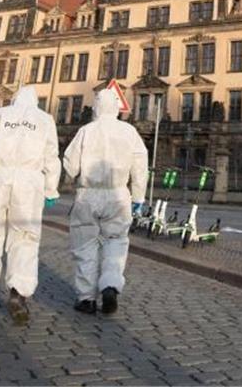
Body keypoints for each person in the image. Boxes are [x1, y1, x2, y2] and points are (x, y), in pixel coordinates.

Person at [0, 84, 61, 323]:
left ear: (14, 99)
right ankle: (18, 293)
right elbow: (51, 156)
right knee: (25, 239)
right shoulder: (45, 119)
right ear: (36, 101)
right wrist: (50, 189)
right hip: (29, 182)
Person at [62, 88, 148, 314]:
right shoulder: (129, 132)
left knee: (86, 245)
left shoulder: (86, 131)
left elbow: (70, 165)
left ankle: (86, 298)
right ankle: (110, 284)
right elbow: (140, 167)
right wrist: (138, 197)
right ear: (117, 108)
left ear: (97, 107)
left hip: (88, 194)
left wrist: (75, 174)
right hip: (118, 194)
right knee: (116, 242)